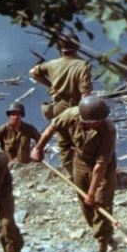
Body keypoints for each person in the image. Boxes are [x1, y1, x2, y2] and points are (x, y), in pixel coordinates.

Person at [32, 96, 117, 252]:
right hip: (81, 161)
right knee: (84, 203)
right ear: (86, 119)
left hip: (103, 167)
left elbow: (100, 167)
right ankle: (103, 232)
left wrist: (92, 193)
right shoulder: (71, 115)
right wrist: (38, 148)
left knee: (100, 203)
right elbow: (51, 129)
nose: (100, 123)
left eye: (102, 120)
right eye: (96, 121)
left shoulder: (109, 130)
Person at [30, 33, 92, 174]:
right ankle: (85, 173)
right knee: (82, 142)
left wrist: (49, 85)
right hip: (76, 108)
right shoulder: (83, 65)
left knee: (64, 143)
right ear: (77, 47)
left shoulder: (52, 64)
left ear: (59, 49)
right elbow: (85, 95)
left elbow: (33, 72)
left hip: (57, 107)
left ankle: (71, 173)